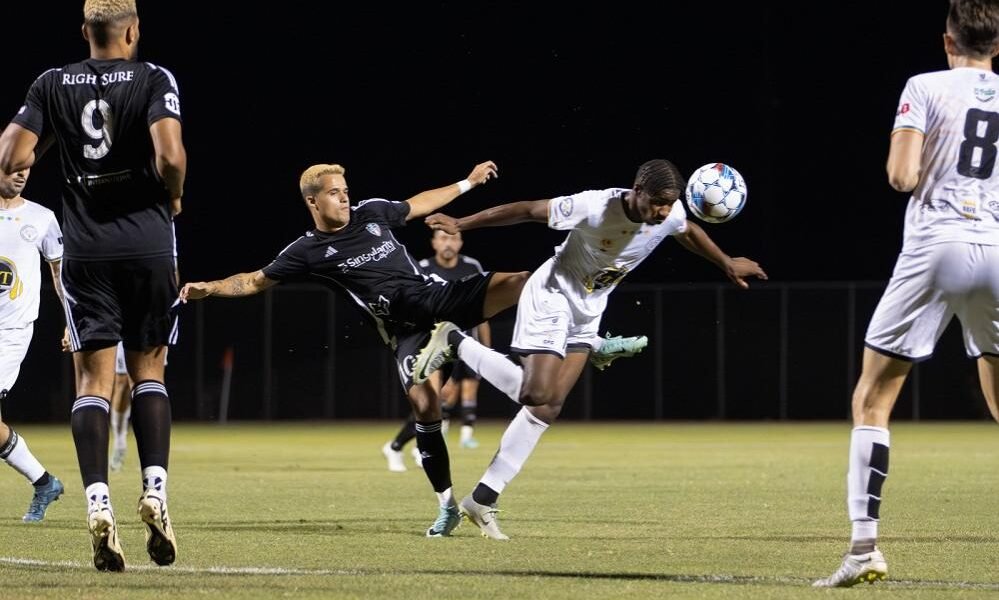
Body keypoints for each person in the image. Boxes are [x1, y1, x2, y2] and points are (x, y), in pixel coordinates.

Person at [413, 158, 768, 539]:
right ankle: (454, 340)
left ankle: (482, 500)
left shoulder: (668, 211)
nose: (664, 212)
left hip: (589, 307)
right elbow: (529, 211)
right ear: (637, 191)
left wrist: (726, 263)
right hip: (552, 295)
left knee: (547, 408)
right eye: (658, 203)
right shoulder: (596, 207)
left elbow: (687, 229)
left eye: (669, 204)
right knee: (536, 393)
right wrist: (461, 224)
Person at [179, 160, 532, 538]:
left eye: (346, 191)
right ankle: (447, 506)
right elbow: (253, 281)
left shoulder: (373, 213)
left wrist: (468, 182)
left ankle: (581, 341)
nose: (345, 198)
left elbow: (420, 203)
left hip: (435, 298)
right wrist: (210, 288)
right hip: (405, 333)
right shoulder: (307, 251)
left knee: (522, 282)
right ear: (313, 202)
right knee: (426, 408)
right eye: (334, 193)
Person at [813, 0, 999, 587]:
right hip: (996, 249)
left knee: (872, 400)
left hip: (936, 245)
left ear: (948, 42)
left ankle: (865, 548)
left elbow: (901, 176)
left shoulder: (924, 85)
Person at [0, 0, 187, 571]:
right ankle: (154, 492)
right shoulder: (154, 77)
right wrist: (172, 195)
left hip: (86, 250)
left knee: (92, 382)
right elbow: (170, 155)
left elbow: (11, 155)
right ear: (132, 31)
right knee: (148, 370)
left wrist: (55, 135)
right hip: (150, 244)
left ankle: (97, 501)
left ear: (85, 32)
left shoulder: (53, 83)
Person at [0, 166, 66, 523]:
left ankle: (44, 483)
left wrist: (73, 323)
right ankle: (45, 483)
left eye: (26, 168)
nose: (22, 174)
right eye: (13, 167)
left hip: (11, 331)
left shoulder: (42, 218)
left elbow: (60, 278)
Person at [109, 342, 131, 472]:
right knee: (122, 383)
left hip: (152, 324)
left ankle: (153, 456)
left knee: (151, 378)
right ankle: (119, 440)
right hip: (124, 329)